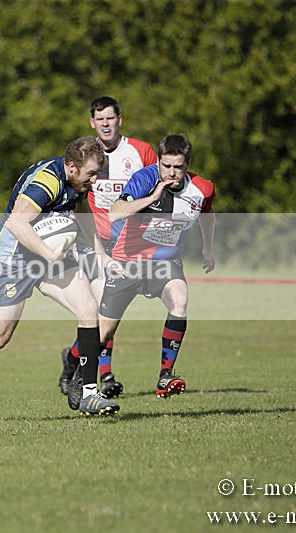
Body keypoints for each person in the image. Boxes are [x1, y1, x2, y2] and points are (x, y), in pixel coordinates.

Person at [0, 136, 120, 416]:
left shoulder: (78, 183)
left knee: (89, 308)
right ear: (72, 166)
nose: (94, 180)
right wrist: (49, 254)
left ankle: (89, 393)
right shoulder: (47, 182)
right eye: (91, 173)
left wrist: (100, 254)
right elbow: (16, 223)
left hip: (48, 256)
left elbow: (82, 211)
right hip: (12, 261)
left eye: (96, 173)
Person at [96, 133, 215, 398]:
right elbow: (115, 213)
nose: (171, 173)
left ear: (187, 165)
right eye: (166, 165)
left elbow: (207, 213)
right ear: (159, 161)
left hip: (165, 262)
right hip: (128, 261)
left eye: (178, 167)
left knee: (179, 301)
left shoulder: (202, 188)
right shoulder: (145, 179)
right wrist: (153, 197)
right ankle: (74, 362)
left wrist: (208, 247)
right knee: (102, 334)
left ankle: (165, 376)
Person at [58, 96, 158, 400]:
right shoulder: (85, 155)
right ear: (92, 122)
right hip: (93, 242)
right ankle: (103, 375)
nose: (105, 123)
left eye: (110, 118)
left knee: (109, 316)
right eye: (100, 119)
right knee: (103, 308)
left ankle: (75, 358)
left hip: (129, 243)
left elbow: (158, 189)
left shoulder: (141, 151)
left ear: (119, 120)